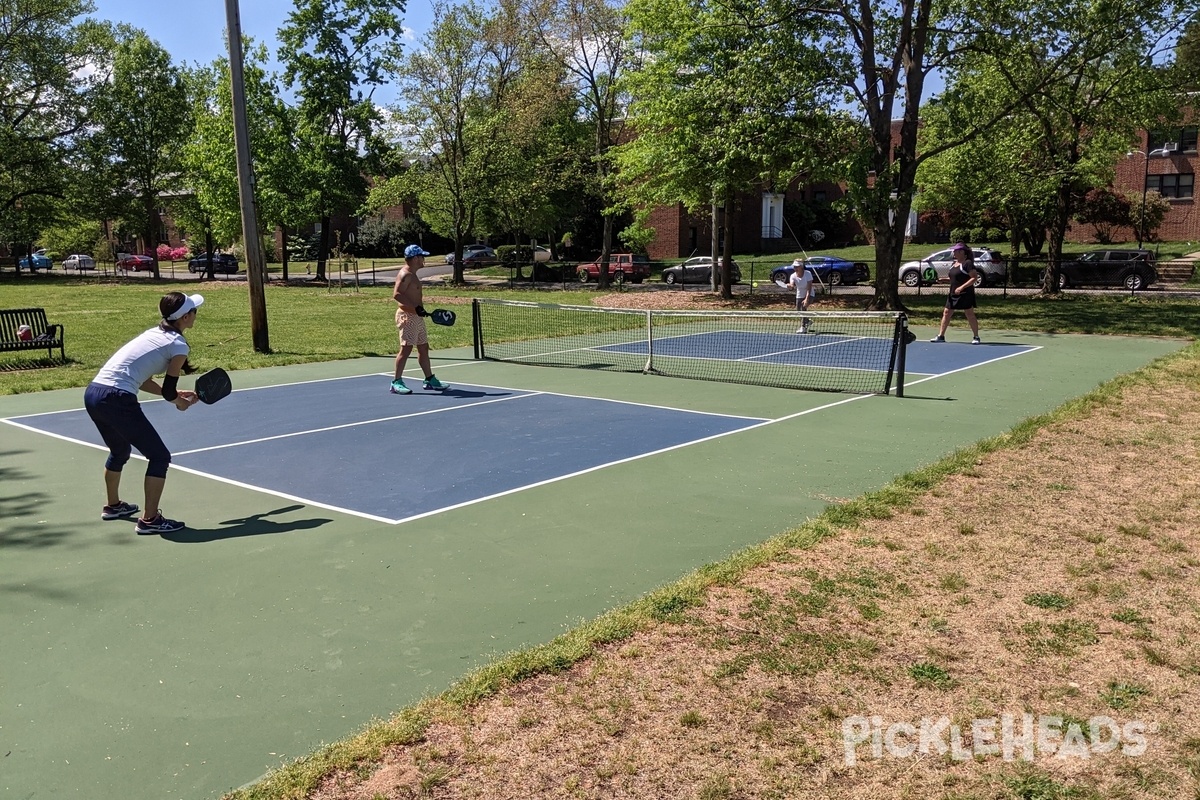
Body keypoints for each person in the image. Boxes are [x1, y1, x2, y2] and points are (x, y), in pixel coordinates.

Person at [84, 292, 203, 534]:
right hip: (116, 399)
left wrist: (172, 394)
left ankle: (113, 506)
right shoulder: (178, 345)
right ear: (187, 317)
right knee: (159, 457)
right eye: (194, 312)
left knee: (119, 451)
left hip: (94, 393)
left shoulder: (153, 334)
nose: (195, 316)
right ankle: (150, 520)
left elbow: (141, 379)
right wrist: (178, 401)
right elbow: (169, 391)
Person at [390, 244, 448, 394]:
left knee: (423, 347)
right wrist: (415, 308)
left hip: (416, 316)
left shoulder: (413, 274)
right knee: (406, 349)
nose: (424, 259)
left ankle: (429, 379)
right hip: (407, 317)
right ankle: (396, 382)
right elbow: (397, 294)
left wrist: (418, 310)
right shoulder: (406, 274)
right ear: (415, 258)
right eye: (422, 257)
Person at [930, 242, 981, 344]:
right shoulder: (954, 264)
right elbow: (954, 279)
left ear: (962, 252)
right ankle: (941, 336)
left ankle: (976, 337)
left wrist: (962, 287)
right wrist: (943, 280)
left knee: (969, 314)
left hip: (965, 293)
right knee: (946, 312)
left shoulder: (967, 263)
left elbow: (974, 278)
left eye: (956, 251)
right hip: (953, 293)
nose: (954, 252)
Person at [786, 258, 815, 333]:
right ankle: (807, 321)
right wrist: (790, 287)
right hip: (799, 294)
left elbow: (809, 287)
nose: (795, 268)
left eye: (797, 266)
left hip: (810, 294)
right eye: (794, 266)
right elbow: (792, 286)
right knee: (798, 310)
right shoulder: (793, 276)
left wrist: (806, 299)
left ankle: (803, 327)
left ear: (801, 266)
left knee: (803, 308)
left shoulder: (808, 273)